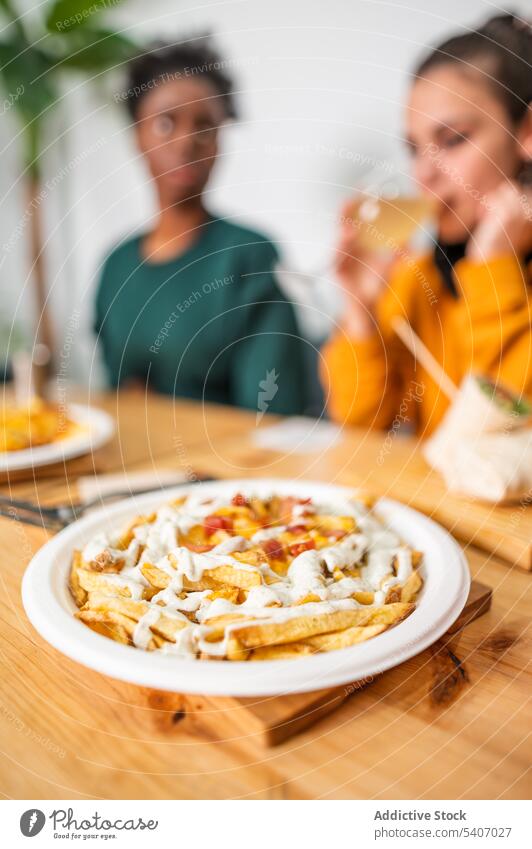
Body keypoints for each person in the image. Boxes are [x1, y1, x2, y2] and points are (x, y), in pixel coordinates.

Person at [321, 13, 532, 436]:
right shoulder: (417, 279)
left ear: (526, 134)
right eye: (415, 149)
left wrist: (494, 268)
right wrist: (361, 314)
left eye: (453, 140)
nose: (424, 173)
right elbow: (362, 420)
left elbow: (507, 434)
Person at [95, 37, 306, 414]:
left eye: (205, 126)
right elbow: (116, 399)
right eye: (165, 123)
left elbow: (272, 416)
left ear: (220, 142)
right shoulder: (116, 267)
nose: (186, 142)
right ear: (137, 136)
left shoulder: (250, 257)